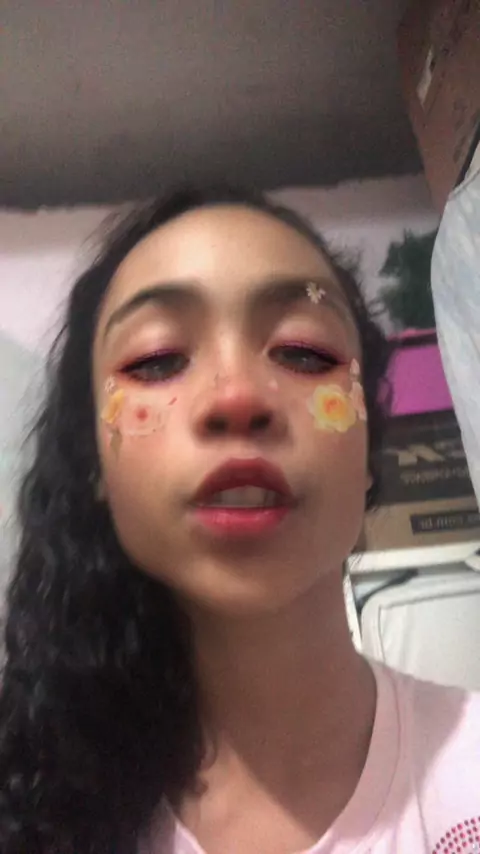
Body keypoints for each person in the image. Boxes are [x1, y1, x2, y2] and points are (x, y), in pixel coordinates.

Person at [0, 186, 479, 854]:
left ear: (368, 446)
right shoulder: (33, 805)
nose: (238, 396)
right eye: (157, 360)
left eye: (304, 352)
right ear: (95, 467)